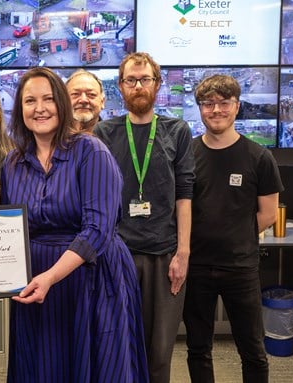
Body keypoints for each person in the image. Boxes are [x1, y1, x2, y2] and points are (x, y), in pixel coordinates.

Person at [1, 66, 148, 382]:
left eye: (48, 99)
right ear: (19, 109)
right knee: (41, 366)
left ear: (62, 105)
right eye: (29, 101)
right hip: (37, 283)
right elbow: (7, 229)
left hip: (91, 277)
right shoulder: (12, 163)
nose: (39, 109)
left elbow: (97, 229)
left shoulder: (91, 151)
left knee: (97, 365)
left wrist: (51, 277)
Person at [94, 52, 195, 383]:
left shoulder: (176, 131)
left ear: (157, 84)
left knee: (159, 351)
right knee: (117, 346)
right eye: (131, 80)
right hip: (117, 253)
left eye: (145, 79)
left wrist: (183, 253)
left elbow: (184, 195)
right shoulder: (103, 133)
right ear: (120, 87)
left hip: (164, 255)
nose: (138, 86)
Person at [184, 74, 282, 383]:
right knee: (198, 348)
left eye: (224, 103)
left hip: (240, 267)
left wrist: (231, 232)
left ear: (236, 107)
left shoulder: (259, 157)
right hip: (196, 266)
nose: (216, 110)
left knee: (252, 349)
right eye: (208, 104)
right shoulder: (186, 155)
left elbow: (268, 214)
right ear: (200, 108)